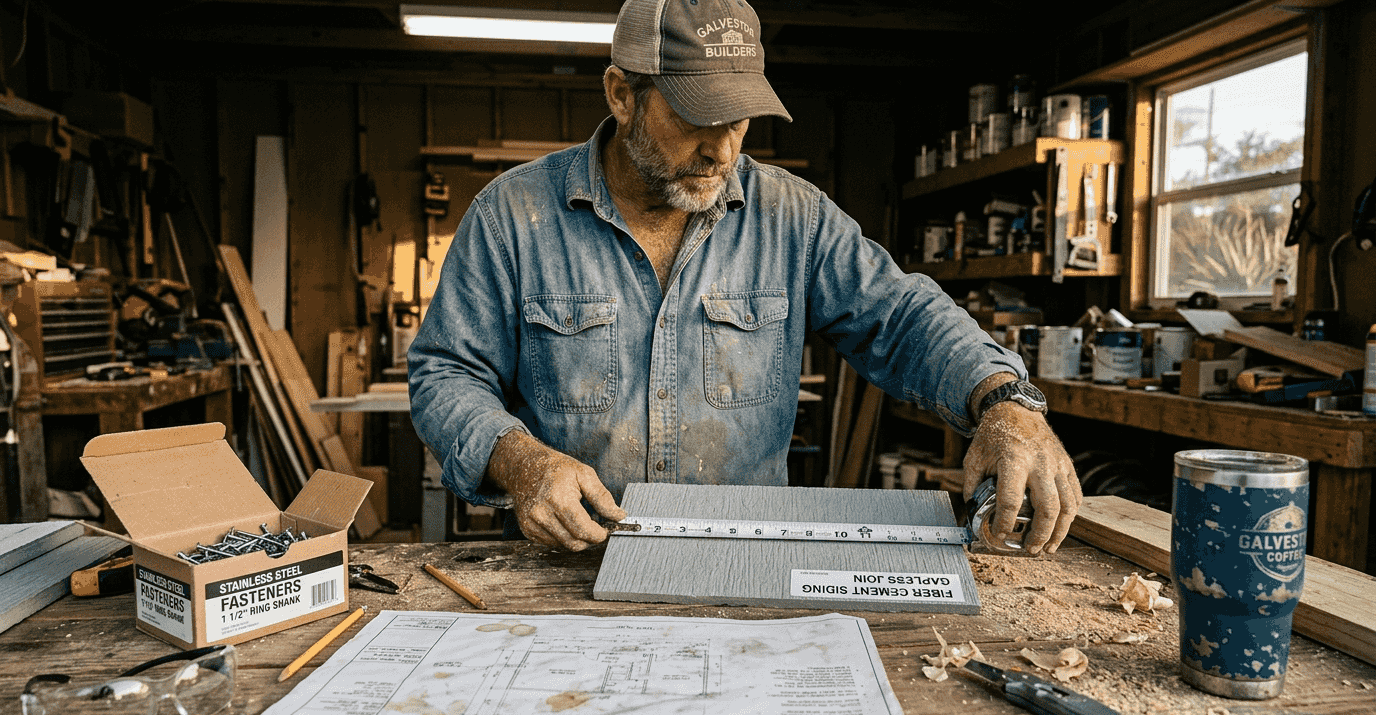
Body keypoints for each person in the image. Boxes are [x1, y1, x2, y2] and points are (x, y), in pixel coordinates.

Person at [409, 0, 1082, 555]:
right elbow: (445, 374)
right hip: (565, 560)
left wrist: (1005, 402)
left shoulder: (793, 217)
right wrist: (522, 461)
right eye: (696, 119)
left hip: (745, 557)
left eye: (737, 120)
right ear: (621, 94)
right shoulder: (513, 215)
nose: (723, 148)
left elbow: (900, 315)